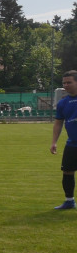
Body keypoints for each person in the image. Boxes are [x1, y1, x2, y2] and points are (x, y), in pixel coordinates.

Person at [50, 70, 77, 210]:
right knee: (67, 171)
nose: (66, 85)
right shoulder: (62, 103)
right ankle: (69, 201)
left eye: (69, 82)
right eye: (64, 83)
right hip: (72, 144)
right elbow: (58, 123)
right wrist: (54, 142)